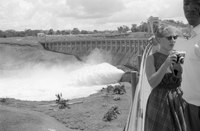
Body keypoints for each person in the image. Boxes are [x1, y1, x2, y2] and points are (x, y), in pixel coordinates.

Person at [144, 23, 187, 131]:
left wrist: (179, 65)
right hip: (159, 102)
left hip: (177, 100)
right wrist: (166, 64)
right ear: (159, 39)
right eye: (169, 37)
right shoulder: (151, 58)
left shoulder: (175, 55)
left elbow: (177, 80)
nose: (173, 40)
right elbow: (152, 83)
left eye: (175, 37)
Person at [174, 0, 200, 130]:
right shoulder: (182, 37)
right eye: (186, 4)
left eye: (197, 3)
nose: (190, 8)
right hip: (182, 102)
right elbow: (177, 68)